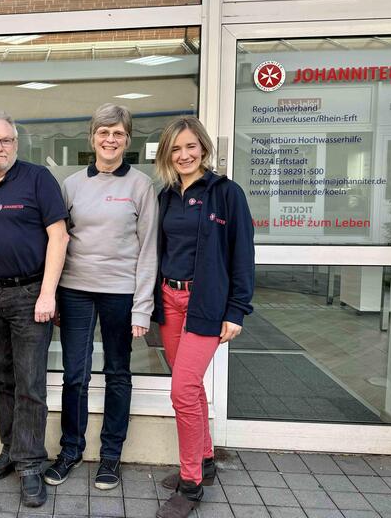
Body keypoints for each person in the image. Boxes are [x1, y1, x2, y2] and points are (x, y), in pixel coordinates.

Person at [44, 104, 157, 490]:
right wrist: (52, 293)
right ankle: (70, 450)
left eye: (118, 133)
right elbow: (58, 241)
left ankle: (111, 455)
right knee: (74, 374)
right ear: (92, 138)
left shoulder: (141, 186)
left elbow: (149, 248)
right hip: (75, 291)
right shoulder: (72, 184)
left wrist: (142, 307)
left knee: (117, 373)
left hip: (120, 293)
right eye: (104, 132)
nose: (110, 140)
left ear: (128, 139)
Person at [0, 110, 69, 507]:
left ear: (16, 144)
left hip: (29, 296)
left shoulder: (38, 179)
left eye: (6, 140)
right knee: (1, 377)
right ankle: (10, 449)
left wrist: (47, 294)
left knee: (30, 384)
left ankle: (30, 464)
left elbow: (59, 237)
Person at [152, 117, 254, 518]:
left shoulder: (226, 193)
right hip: (169, 298)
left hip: (206, 302)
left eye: (191, 146)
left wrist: (237, 310)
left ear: (204, 148)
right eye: (176, 149)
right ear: (167, 154)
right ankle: (206, 460)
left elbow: (242, 254)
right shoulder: (166, 196)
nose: (184, 155)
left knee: (182, 390)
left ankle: (191, 482)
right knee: (190, 387)